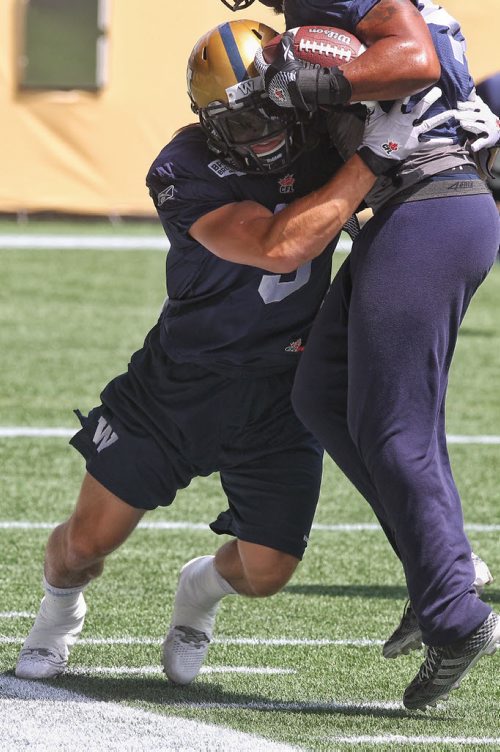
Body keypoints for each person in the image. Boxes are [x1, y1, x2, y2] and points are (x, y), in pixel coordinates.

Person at [14, 18, 461, 688]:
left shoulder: (325, 133)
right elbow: (278, 247)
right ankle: (58, 613)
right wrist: (372, 158)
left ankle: (198, 592)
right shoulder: (183, 167)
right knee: (84, 547)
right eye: (236, 121)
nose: (258, 132)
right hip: (181, 384)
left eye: (265, 112)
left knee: (267, 572)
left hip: (282, 393)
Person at [233, 0, 500, 710]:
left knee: (395, 432)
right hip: (416, 205)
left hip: (432, 201)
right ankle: (438, 570)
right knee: (321, 394)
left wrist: (308, 85)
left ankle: (455, 614)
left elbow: (413, 59)